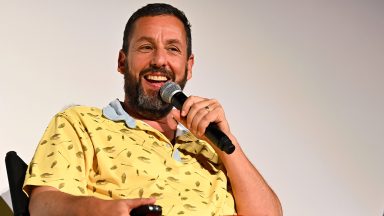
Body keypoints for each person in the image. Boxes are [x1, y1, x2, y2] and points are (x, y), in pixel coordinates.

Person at [23, 3, 282, 216]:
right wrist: (102, 209)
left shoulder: (207, 147)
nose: (159, 60)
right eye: (146, 47)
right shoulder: (82, 123)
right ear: (123, 61)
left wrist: (229, 145)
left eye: (173, 49)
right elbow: (43, 205)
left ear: (189, 66)